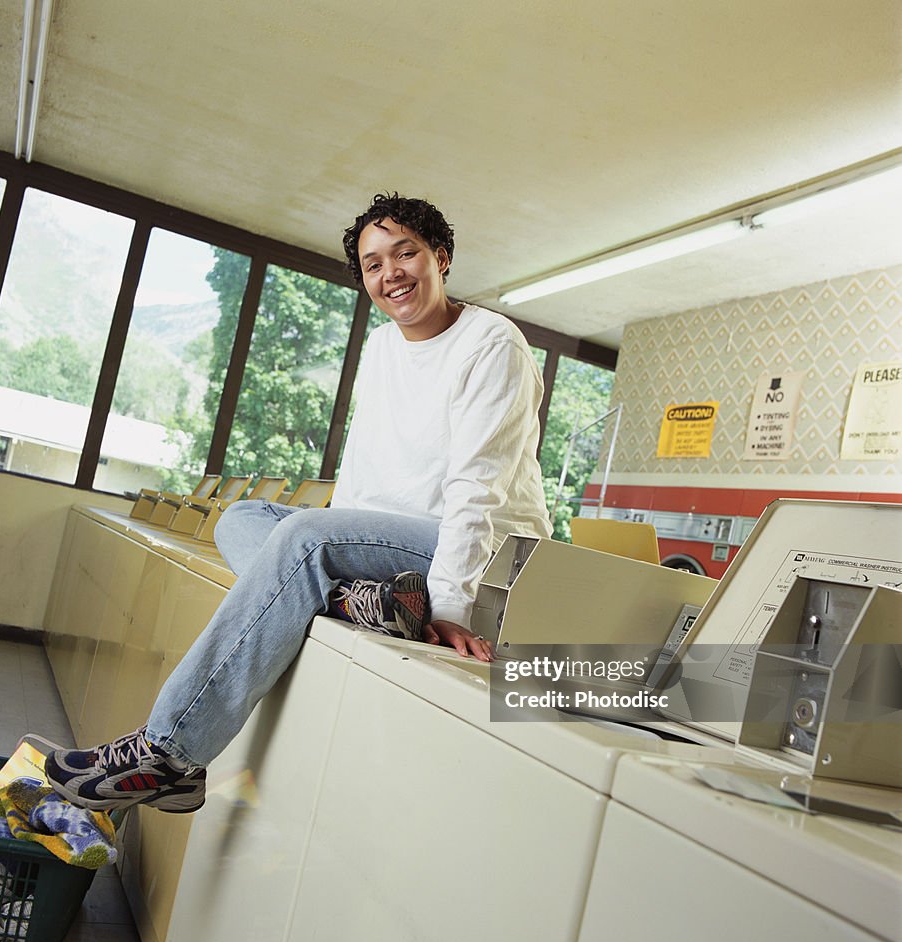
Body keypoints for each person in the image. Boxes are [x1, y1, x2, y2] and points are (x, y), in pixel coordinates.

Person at [45, 193, 552, 813]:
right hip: (395, 546)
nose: (390, 272)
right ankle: (358, 602)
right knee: (243, 518)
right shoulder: (384, 346)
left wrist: (447, 606)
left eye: (405, 253)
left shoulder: (493, 344)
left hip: (482, 551)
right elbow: (363, 471)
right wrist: (330, 551)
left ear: (440, 257)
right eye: (372, 264)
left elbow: (478, 489)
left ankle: (170, 754)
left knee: (303, 539)